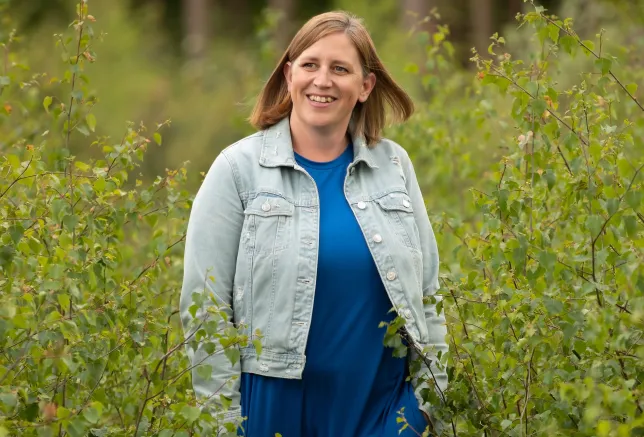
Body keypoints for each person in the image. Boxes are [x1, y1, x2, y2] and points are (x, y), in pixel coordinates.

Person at [180, 10, 448, 437]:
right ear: (289, 75)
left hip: (382, 416)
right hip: (270, 412)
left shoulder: (395, 166)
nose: (322, 80)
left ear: (364, 86)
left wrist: (426, 409)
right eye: (310, 65)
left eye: (340, 69)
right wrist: (222, 425)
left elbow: (429, 293)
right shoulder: (237, 170)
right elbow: (205, 309)